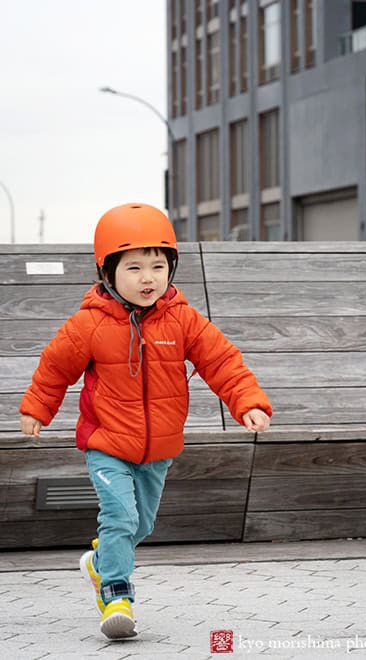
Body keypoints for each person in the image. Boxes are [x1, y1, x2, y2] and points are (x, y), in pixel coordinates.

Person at [19, 203, 272, 640]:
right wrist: (36, 409)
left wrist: (248, 401)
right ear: (108, 272)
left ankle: (100, 563)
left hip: (159, 450)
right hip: (107, 443)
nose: (148, 278)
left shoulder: (184, 319)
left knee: (142, 525)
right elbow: (54, 369)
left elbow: (222, 362)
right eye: (133, 268)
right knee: (119, 516)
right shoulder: (88, 325)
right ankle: (116, 594)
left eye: (158, 266)